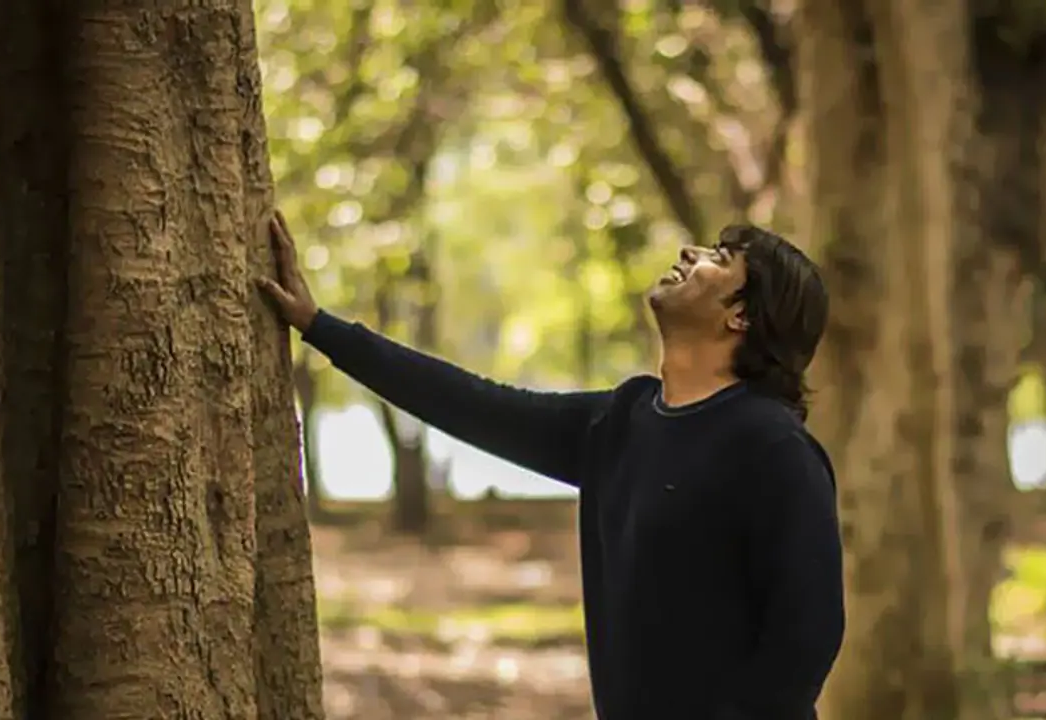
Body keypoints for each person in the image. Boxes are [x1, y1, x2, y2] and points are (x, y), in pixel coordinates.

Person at [258, 211, 844, 720]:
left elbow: (807, 635)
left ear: (741, 316)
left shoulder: (772, 449)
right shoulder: (624, 422)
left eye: (719, 258)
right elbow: (473, 404)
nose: (689, 254)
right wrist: (320, 327)